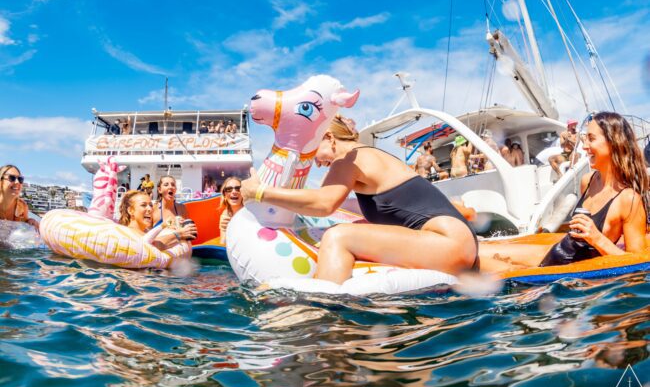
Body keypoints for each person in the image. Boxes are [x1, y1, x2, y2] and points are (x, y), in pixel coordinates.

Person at [240, 115, 478, 284]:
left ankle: (321, 317)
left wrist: (259, 192)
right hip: (457, 243)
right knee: (355, 228)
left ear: (329, 138)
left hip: (447, 244)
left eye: (312, 151)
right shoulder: (369, 155)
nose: (314, 162)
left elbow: (323, 204)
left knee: (338, 236)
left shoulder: (348, 159)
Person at [479, 112, 650, 272]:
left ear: (614, 142)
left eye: (591, 139)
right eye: (585, 139)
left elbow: (637, 263)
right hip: (555, 253)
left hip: (562, 273)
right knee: (477, 251)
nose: (585, 146)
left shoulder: (629, 199)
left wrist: (596, 237)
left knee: (474, 260)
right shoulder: (589, 181)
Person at [118, 190, 195, 247]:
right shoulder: (127, 233)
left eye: (151, 205)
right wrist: (179, 234)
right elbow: (145, 246)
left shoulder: (146, 231)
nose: (150, 209)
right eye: (143, 205)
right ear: (131, 210)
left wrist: (172, 227)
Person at [0, 164, 39, 231]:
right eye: (12, 178)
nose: (17, 182)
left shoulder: (22, 207)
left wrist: (30, 222)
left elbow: (23, 229)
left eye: (20, 179)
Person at [219, 176, 244, 245]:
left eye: (238, 188)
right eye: (229, 189)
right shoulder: (225, 215)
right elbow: (223, 243)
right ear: (224, 195)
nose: (234, 192)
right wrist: (226, 229)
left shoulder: (251, 211)